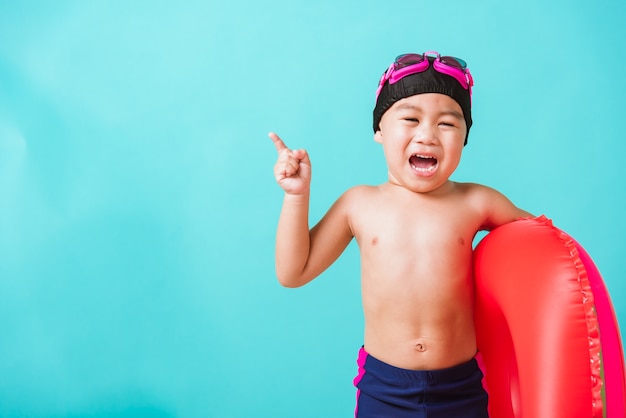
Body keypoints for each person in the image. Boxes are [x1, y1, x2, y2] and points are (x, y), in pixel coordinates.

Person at [268, 51, 533, 418]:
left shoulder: (477, 201)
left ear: (465, 137)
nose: (427, 135)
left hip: (464, 386)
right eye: (410, 118)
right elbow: (292, 272)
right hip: (385, 388)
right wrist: (297, 197)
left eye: (448, 124)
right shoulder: (359, 204)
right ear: (379, 130)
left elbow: (544, 249)